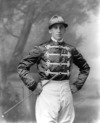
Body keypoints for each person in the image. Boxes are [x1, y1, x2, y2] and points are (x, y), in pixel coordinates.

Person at [17, 15, 90, 123]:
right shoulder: (41, 49)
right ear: (50, 30)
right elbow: (22, 67)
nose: (59, 30)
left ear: (65, 29)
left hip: (66, 91)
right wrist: (33, 85)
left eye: (61, 27)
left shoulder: (71, 50)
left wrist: (77, 85)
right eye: (55, 27)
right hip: (47, 92)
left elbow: (85, 68)